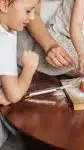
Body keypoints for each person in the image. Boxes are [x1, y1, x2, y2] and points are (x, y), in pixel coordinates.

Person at [0, 0, 39, 147]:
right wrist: (29, 67)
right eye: (28, 11)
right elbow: (15, 95)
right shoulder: (3, 39)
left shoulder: (8, 29)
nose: (33, 18)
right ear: (4, 5)